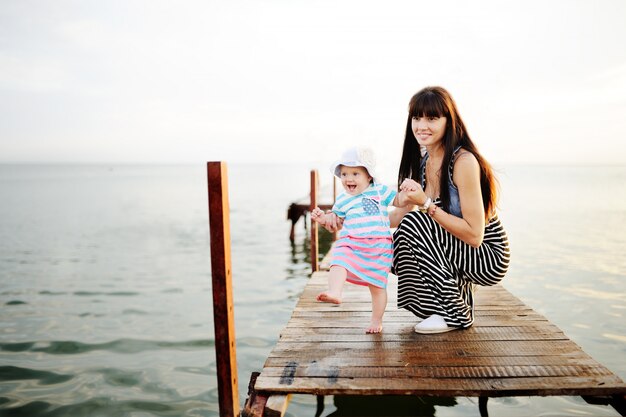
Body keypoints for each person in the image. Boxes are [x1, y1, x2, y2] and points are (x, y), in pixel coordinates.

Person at [390, 86, 511, 334]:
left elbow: (475, 236)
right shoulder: (423, 163)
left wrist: (425, 204)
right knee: (401, 234)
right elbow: (398, 218)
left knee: (416, 224)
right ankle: (443, 306)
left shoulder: (463, 161)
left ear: (449, 121)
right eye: (416, 117)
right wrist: (349, 219)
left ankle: (457, 315)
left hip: (487, 254)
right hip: (456, 246)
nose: (421, 125)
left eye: (432, 118)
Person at [311, 146, 411, 334]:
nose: (349, 178)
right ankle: (335, 292)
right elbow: (337, 222)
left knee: (377, 286)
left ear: (369, 176)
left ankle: (376, 319)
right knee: (338, 260)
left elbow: (399, 201)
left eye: (355, 173)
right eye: (345, 174)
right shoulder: (342, 200)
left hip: (378, 247)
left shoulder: (380, 191)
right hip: (352, 243)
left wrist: (407, 193)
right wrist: (323, 218)